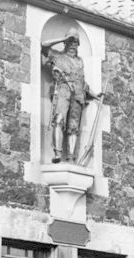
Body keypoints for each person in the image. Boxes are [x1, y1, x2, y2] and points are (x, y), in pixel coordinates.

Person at [42, 29, 102, 163]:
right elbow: (44, 45)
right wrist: (63, 38)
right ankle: (57, 153)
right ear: (66, 43)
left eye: (76, 42)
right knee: (59, 120)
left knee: (73, 128)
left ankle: (70, 157)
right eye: (71, 41)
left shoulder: (80, 61)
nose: (74, 44)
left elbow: (82, 81)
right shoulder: (57, 56)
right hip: (63, 90)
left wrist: (94, 94)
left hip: (78, 95)